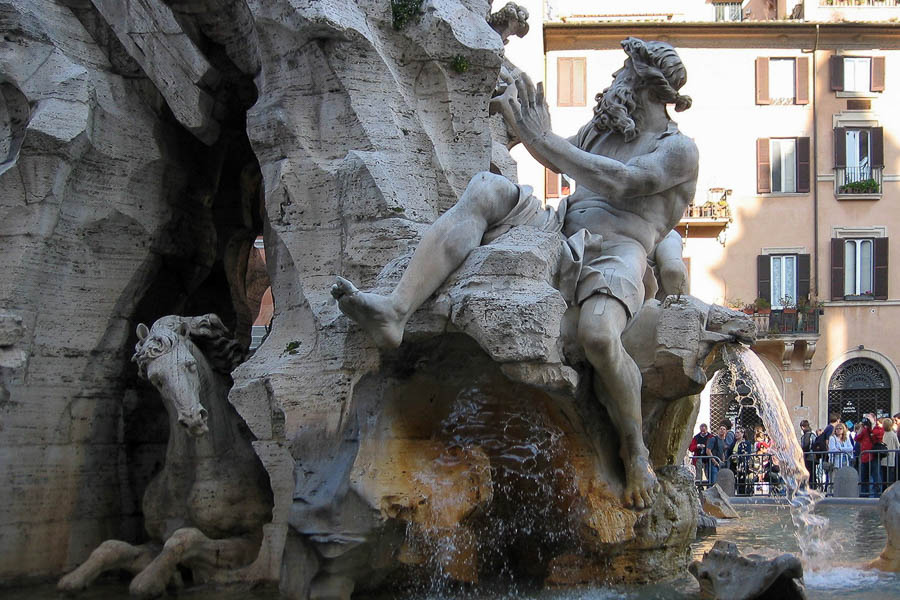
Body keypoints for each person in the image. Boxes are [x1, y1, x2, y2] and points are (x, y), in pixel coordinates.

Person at [331, 38, 698, 510]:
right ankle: (395, 311)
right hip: (558, 225)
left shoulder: (678, 149)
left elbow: (620, 181)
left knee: (600, 337)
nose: (612, 82)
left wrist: (538, 136)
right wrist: (512, 112)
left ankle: (635, 451)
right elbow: (552, 150)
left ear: (646, 83)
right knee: (486, 188)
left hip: (621, 252)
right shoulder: (608, 129)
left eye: (620, 73)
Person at [856, 413, 884, 497]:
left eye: (869, 418)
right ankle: (864, 495)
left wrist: (872, 424)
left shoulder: (878, 428)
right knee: (864, 479)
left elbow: (878, 436)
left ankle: (877, 496)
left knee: (876, 478)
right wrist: (861, 427)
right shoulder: (865, 430)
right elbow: (857, 438)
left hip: (873, 456)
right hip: (864, 457)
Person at [826, 422, 853, 495]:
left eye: (840, 428)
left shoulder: (846, 438)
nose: (838, 430)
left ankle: (842, 493)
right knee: (834, 479)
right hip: (835, 462)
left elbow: (850, 448)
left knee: (844, 478)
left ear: (843, 430)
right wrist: (844, 450)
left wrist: (841, 449)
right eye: (837, 429)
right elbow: (832, 449)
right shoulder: (832, 438)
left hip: (845, 461)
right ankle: (831, 493)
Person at [732, 429, 754, 495]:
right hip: (734, 464)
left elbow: (747, 454)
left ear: (742, 434)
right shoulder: (734, 443)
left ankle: (743, 493)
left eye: (738, 433)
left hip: (742, 464)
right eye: (735, 432)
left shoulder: (746, 443)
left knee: (742, 479)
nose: (736, 434)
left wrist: (739, 456)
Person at [880, 417, 899, 487]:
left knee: (883, 478)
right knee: (890, 478)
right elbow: (898, 445)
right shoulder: (893, 434)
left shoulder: (882, 434)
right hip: (891, 460)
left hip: (882, 459)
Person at [799, 420, 816, 488]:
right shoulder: (812, 434)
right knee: (812, 472)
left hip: (808, 456)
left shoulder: (807, 435)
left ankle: (810, 486)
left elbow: (805, 446)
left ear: (802, 427)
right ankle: (813, 486)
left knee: (809, 472)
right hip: (812, 456)